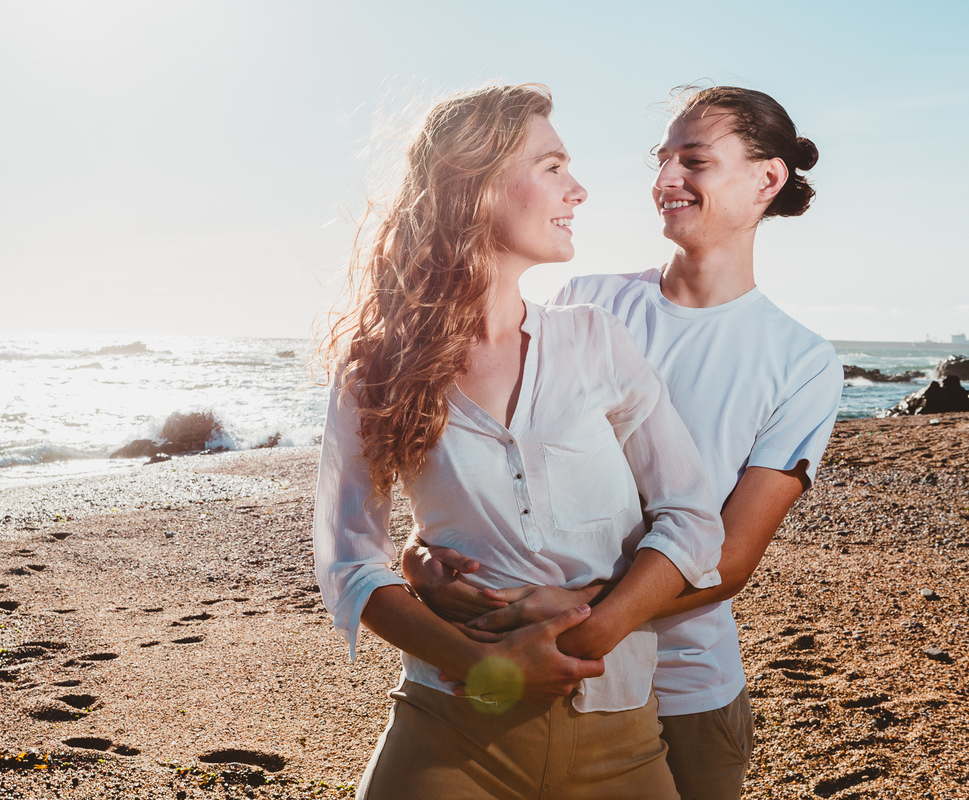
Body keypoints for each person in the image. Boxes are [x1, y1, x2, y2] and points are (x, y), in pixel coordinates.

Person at [403, 85, 844, 800]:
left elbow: (731, 557)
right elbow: (496, 462)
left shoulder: (801, 362)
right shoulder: (584, 304)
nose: (665, 179)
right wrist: (424, 549)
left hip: (682, 689)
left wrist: (570, 612)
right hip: (535, 672)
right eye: (661, 159)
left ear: (768, 179)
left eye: (694, 161)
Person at [313, 82, 726, 800]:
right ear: (474, 186)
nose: (579, 190)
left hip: (621, 738)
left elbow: (691, 517)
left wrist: (587, 630)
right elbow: (349, 562)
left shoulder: (594, 339)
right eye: (552, 166)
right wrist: (480, 664)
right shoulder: (376, 366)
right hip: (450, 734)